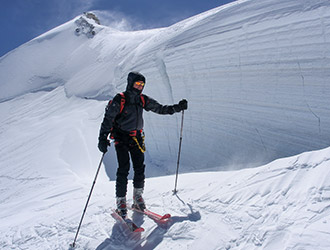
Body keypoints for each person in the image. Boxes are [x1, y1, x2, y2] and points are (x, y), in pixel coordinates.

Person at [98, 71, 188, 218]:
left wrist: (177, 107)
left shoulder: (142, 99)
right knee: (124, 169)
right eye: (137, 84)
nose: (139, 87)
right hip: (121, 138)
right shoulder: (119, 100)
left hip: (136, 139)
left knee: (140, 167)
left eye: (142, 85)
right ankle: (120, 201)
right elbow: (108, 119)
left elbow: (160, 108)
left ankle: (137, 197)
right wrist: (102, 138)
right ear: (130, 83)